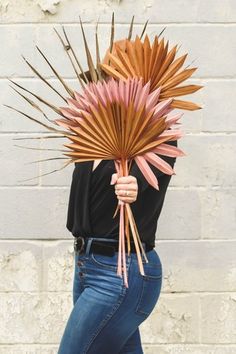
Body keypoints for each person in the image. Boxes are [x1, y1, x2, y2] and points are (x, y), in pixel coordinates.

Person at [57, 139, 177, 354]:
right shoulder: (91, 133)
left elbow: (152, 173)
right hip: (86, 266)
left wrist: (135, 184)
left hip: (121, 270)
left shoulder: (153, 130)